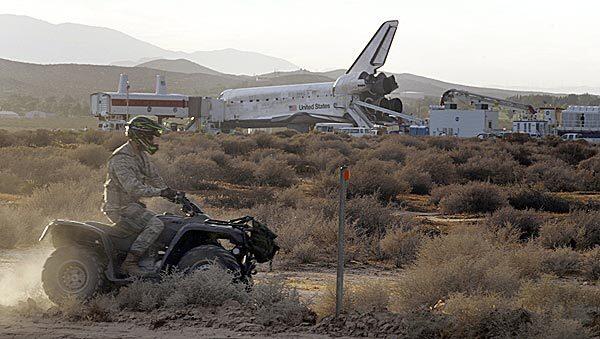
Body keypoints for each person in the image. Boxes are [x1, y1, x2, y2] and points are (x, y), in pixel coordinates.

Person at [102, 116, 177, 276]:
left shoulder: (140, 155)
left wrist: (172, 193)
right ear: (139, 136)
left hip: (131, 206)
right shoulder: (121, 159)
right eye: (149, 136)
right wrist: (160, 192)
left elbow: (154, 176)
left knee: (168, 221)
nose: (152, 140)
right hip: (119, 209)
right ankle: (130, 263)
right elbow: (134, 188)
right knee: (156, 224)